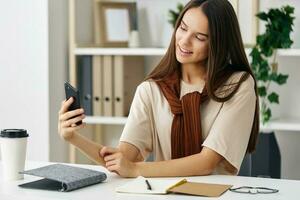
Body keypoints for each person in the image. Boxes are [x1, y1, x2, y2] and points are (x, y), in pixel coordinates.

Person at [58, 0, 259, 178]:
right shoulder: (151, 90)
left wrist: (136, 170)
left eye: (199, 37)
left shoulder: (238, 85)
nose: (184, 41)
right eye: (182, 28)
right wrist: (73, 137)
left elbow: (208, 162)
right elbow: (122, 160)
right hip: (165, 194)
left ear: (218, 44)